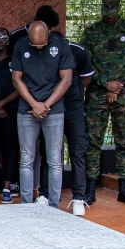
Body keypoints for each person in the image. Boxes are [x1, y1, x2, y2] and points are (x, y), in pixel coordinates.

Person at [80, 0, 125, 206]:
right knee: (93, 143)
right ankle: (90, 190)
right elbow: (84, 64)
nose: (109, 15)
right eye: (106, 11)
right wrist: (105, 83)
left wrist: (119, 86)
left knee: (124, 142)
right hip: (97, 95)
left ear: (119, 7)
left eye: (113, 11)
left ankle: (124, 188)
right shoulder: (90, 32)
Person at [33, 5, 93, 215]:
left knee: (77, 151)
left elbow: (86, 78)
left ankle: (78, 196)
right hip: (51, 109)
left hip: (73, 108)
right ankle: (45, 193)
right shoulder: (38, 50)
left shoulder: (77, 50)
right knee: (49, 152)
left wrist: (72, 93)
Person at [11, 21, 74, 207]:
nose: (38, 47)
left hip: (53, 109)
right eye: (34, 44)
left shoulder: (61, 45)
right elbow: (16, 78)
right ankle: (26, 204)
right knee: (26, 159)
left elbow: (67, 79)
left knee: (55, 159)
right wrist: (33, 104)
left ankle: (54, 205)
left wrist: (45, 105)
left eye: (42, 44)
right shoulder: (20, 46)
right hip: (26, 109)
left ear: (48, 33)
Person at [0, 27, 19, 204]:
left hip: (11, 110)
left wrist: (3, 104)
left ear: (8, 40)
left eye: (4, 37)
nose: (0, 40)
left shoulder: (15, 59)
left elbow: (20, 85)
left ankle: (7, 188)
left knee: (9, 149)